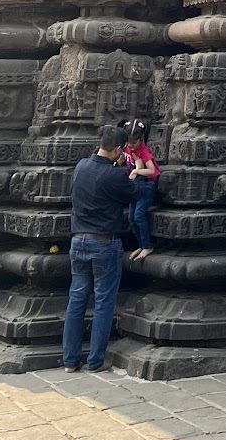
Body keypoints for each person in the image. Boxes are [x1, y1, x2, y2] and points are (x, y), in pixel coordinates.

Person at [61, 125, 137, 372]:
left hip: (78, 241)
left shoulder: (81, 166)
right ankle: (95, 361)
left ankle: (70, 361)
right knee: (103, 301)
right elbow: (134, 193)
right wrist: (130, 169)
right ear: (118, 150)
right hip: (104, 243)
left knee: (77, 299)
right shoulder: (114, 175)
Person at [121, 118, 160, 262]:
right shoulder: (129, 148)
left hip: (148, 184)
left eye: (134, 143)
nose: (131, 146)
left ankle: (147, 246)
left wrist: (137, 172)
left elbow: (151, 171)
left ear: (141, 139)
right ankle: (141, 244)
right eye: (128, 143)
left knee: (138, 216)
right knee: (131, 218)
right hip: (136, 185)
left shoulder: (144, 151)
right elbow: (132, 160)